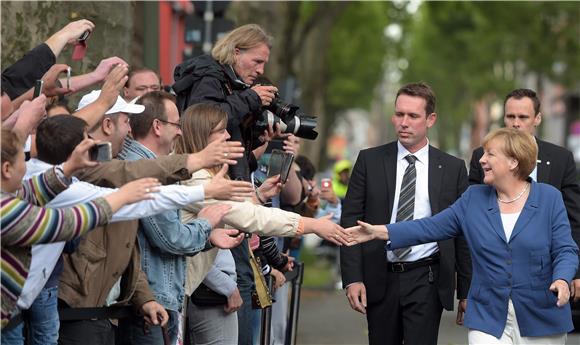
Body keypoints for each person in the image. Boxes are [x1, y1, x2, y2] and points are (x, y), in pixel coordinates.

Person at [348, 128, 579, 344]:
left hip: (540, 313)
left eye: (490, 154)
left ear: (513, 161)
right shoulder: (474, 198)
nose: (481, 160)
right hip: (488, 314)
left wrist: (562, 279)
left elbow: (565, 249)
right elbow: (429, 227)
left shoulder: (549, 198)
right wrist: (378, 231)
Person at [172, 103, 350, 344]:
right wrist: (312, 225)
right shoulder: (195, 177)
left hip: (182, 290)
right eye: (221, 131)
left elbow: (242, 209)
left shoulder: (206, 173)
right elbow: (247, 216)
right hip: (177, 290)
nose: (227, 136)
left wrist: (258, 197)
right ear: (202, 135)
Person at [339, 82, 471, 345]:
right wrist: (352, 279)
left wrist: (466, 291)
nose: (404, 122)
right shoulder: (370, 161)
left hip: (428, 278)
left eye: (413, 116)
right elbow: (351, 221)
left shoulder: (453, 168)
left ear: (430, 119)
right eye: (399, 114)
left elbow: (462, 232)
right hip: (380, 276)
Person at [172, 24, 280, 343]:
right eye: (257, 62)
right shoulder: (210, 77)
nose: (261, 71)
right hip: (212, 196)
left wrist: (256, 139)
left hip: (229, 198)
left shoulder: (229, 83)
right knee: (239, 284)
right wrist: (249, 99)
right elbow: (205, 121)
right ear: (236, 52)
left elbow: (230, 145)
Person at [117, 91, 250, 345]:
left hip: (158, 298)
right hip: (150, 302)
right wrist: (206, 223)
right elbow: (172, 238)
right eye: (176, 125)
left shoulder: (151, 165)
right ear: (157, 126)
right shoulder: (144, 168)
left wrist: (208, 236)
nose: (180, 132)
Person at [0, 128, 157, 329]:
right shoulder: (6, 209)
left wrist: (69, 167)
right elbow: (65, 223)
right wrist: (122, 196)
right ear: (6, 169)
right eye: (24, 160)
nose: (27, 167)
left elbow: (35, 189)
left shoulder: (10, 195)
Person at [469, 88, 580, 301]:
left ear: (537, 118)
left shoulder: (560, 159)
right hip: (496, 272)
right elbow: (469, 219)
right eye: (510, 116)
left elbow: (574, 219)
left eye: (523, 117)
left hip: (548, 271)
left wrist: (575, 272)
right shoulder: (481, 157)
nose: (516, 123)